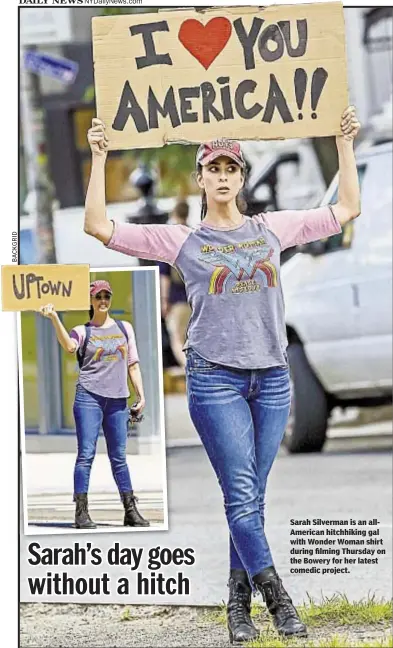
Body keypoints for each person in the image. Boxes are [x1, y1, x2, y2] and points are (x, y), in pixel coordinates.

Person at [84, 108, 360, 640]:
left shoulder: (272, 229)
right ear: (202, 176)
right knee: (239, 493)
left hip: (272, 378)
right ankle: (278, 599)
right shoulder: (180, 241)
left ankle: (236, 604)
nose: (225, 176)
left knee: (250, 498)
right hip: (216, 382)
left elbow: (346, 207)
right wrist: (99, 156)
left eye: (233, 168)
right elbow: (98, 227)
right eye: (215, 168)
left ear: (242, 176)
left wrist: (342, 142)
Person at [39, 279, 150, 530]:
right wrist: (55, 317)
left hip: (118, 400)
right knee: (86, 455)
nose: (102, 300)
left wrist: (141, 396)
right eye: (98, 296)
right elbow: (69, 346)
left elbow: (133, 363)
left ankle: (130, 511)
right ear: (90, 300)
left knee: (119, 457)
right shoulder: (82, 330)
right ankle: (81, 513)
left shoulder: (124, 328)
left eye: (106, 296)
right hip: (89, 397)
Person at [158, 201, 192, 368]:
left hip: (177, 300)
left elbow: (164, 275)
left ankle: (190, 370)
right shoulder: (194, 236)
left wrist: (164, 300)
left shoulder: (169, 240)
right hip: (196, 299)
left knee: (177, 341)